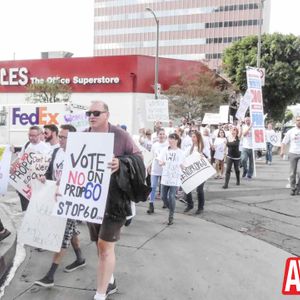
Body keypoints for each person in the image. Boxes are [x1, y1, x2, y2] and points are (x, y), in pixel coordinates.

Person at [85, 101, 146, 300]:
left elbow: (138, 158)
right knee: (98, 244)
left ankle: (100, 293)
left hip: (115, 201)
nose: (91, 116)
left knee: (105, 246)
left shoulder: (120, 135)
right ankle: (109, 279)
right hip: (90, 200)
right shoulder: (82, 136)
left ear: (107, 115)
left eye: (96, 112)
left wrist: (121, 163)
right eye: (89, 113)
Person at [34, 124, 86, 287]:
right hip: (56, 197)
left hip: (71, 201)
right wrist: (45, 178)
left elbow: (83, 179)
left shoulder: (80, 155)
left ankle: (50, 276)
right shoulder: (56, 152)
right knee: (72, 232)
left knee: (63, 235)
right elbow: (51, 173)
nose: (61, 139)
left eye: (65, 137)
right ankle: (80, 258)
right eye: (61, 136)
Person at [16, 126, 51, 211]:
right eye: (29, 135)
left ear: (40, 135)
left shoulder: (46, 148)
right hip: (24, 184)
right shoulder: (27, 144)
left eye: (34, 135)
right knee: (25, 209)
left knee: (35, 209)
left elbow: (47, 167)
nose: (31, 138)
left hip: (37, 184)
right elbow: (20, 159)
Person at [158, 133, 185, 225]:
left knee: (172, 196)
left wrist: (182, 166)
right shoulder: (164, 150)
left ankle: (171, 216)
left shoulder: (181, 152)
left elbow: (183, 164)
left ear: (176, 140)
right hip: (165, 176)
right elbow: (160, 160)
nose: (169, 140)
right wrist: (161, 163)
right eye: (169, 139)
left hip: (175, 177)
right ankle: (171, 209)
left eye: (172, 139)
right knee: (163, 196)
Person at [184, 130, 206, 214]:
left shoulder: (203, 147)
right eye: (191, 137)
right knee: (187, 187)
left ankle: (201, 207)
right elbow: (185, 156)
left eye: (194, 137)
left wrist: (203, 157)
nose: (192, 138)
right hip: (193, 171)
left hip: (201, 171)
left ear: (198, 137)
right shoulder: (191, 148)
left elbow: (209, 157)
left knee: (199, 190)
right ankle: (190, 204)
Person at [280, 116, 300, 195]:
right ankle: (293, 188)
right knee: (292, 172)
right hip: (293, 153)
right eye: (298, 120)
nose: (299, 121)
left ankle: (298, 187)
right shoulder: (291, 131)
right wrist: (282, 151)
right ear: (295, 121)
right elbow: (284, 142)